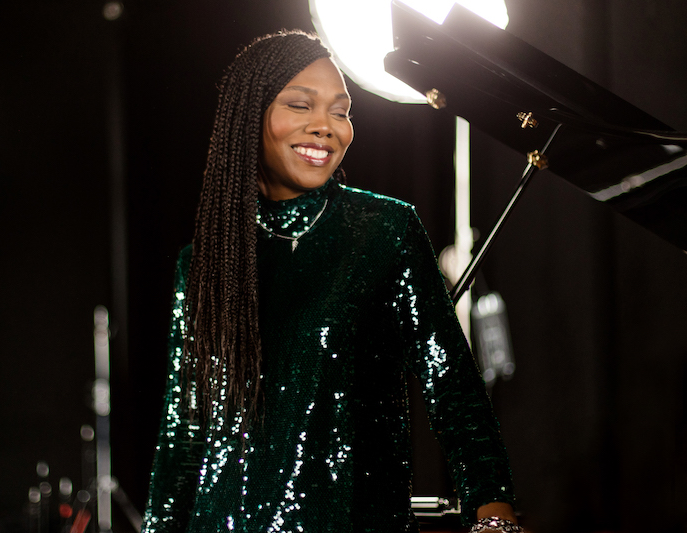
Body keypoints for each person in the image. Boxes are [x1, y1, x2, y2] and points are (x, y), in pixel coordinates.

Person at [142, 30, 521, 533]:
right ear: (249, 117)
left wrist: (494, 511)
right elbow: (184, 437)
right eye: (301, 105)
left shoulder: (385, 231)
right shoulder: (205, 262)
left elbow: (453, 388)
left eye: (341, 112)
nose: (326, 126)